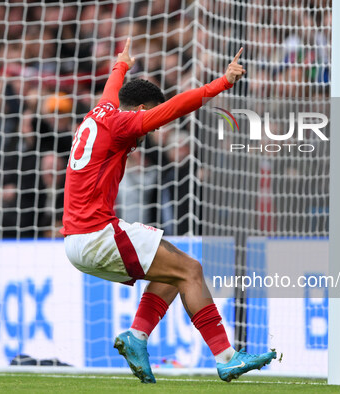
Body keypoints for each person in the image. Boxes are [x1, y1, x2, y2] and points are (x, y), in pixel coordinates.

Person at [62, 38, 276, 383]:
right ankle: (226, 357)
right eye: (151, 117)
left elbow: (112, 87)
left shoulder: (100, 111)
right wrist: (222, 82)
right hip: (96, 233)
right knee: (191, 269)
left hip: (77, 238)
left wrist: (121, 64)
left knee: (173, 272)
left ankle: (137, 336)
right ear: (140, 108)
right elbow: (176, 107)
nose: (155, 127)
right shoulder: (123, 123)